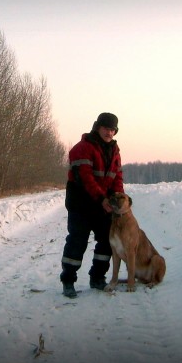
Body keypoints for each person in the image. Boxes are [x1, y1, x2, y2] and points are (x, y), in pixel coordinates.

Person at [60, 112, 124, 298]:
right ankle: (68, 280)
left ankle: (97, 278)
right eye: (106, 128)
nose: (109, 133)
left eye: (113, 130)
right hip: (81, 204)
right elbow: (85, 179)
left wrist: (118, 199)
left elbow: (117, 177)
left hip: (102, 205)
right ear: (97, 127)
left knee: (106, 241)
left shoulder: (114, 151)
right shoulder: (82, 148)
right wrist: (102, 200)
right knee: (77, 242)